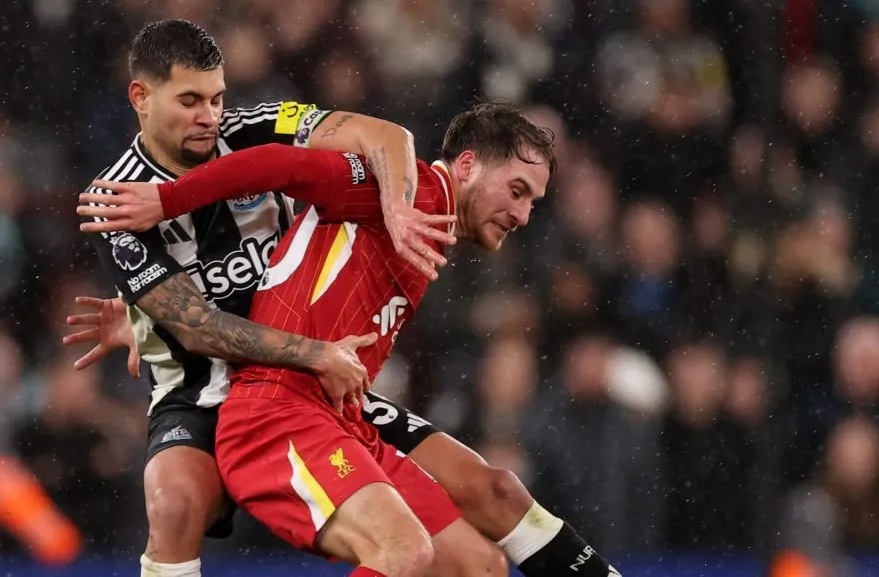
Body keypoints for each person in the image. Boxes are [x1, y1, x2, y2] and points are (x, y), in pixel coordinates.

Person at [77, 104, 621, 577]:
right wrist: (168, 200)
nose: (523, 215)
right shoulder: (399, 190)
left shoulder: (425, 224)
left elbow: (275, 279)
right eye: (517, 191)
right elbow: (281, 164)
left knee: (477, 564)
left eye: (534, 202)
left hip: (339, 417)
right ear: (467, 165)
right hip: (277, 415)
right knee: (401, 550)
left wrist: (143, 321)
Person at [75, 19, 458, 577]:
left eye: (217, 98)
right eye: (190, 101)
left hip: (302, 385)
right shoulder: (114, 199)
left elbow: (385, 135)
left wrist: (398, 205)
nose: (209, 116)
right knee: (173, 503)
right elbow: (196, 327)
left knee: (467, 518)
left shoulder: (257, 127)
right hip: (202, 393)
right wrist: (315, 352)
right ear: (140, 97)